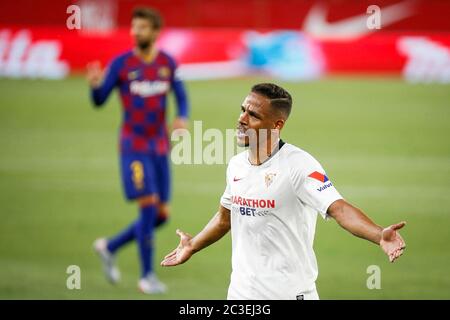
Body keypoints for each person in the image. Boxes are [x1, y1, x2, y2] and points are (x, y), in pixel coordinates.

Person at [160, 83, 406, 300]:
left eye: (253, 115)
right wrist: (192, 246)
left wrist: (378, 235)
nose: (242, 119)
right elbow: (225, 218)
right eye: (243, 109)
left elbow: (338, 208)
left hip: (289, 294)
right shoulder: (237, 165)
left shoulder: (300, 165)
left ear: (277, 125)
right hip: (240, 293)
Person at [86, 7, 189, 294]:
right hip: (133, 147)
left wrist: (182, 116)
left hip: (159, 147)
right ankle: (147, 277)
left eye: (142, 28)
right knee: (147, 207)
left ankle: (110, 246)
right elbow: (99, 100)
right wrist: (95, 87)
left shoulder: (168, 63)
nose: (136, 32)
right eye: (134, 27)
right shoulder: (121, 64)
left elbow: (181, 96)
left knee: (162, 215)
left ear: (155, 31)